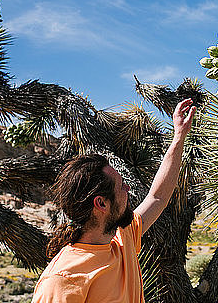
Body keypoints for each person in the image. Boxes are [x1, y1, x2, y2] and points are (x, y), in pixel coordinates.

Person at [32, 98, 196, 303]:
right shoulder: (63, 280)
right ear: (101, 204)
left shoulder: (122, 239)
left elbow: (158, 196)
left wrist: (179, 137)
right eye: (121, 186)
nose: (127, 188)